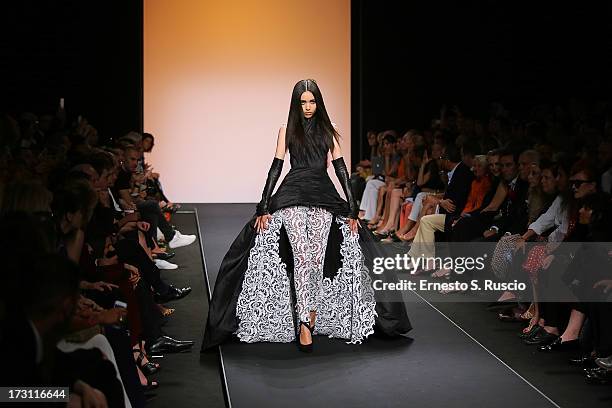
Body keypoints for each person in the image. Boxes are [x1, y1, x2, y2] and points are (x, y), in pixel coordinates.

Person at [201, 79, 412, 353]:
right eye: (303, 102)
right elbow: (276, 167)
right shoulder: (286, 130)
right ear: (296, 103)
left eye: (312, 101)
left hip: (323, 195)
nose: (308, 107)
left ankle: (312, 313)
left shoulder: (330, 130)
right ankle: (303, 323)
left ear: (319, 102)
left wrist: (351, 207)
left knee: (317, 256)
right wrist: (263, 206)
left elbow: (340, 169)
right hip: (292, 194)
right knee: (302, 256)